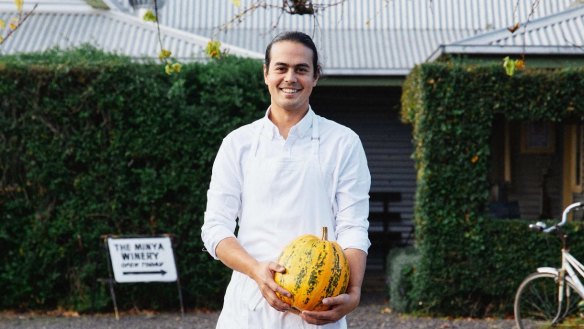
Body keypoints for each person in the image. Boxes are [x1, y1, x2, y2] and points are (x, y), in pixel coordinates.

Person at [201, 31, 371, 328]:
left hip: (318, 310)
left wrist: (354, 291)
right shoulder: (237, 143)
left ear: (316, 76)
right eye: (281, 68)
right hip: (247, 310)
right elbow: (215, 227)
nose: (290, 78)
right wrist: (255, 270)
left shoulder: (344, 142)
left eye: (301, 69)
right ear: (266, 73)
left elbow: (353, 225)